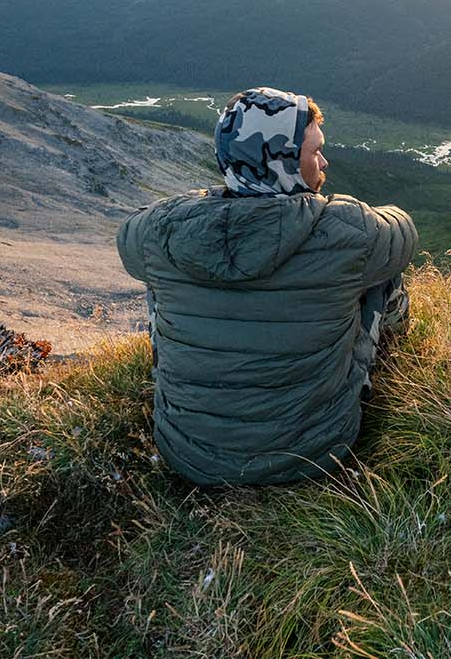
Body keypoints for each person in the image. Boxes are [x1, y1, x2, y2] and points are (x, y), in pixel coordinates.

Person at [115, 87, 417, 485]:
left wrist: (207, 198)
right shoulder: (349, 230)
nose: (323, 162)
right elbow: (404, 231)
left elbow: (128, 237)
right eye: (314, 153)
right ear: (286, 163)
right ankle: (396, 343)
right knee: (381, 274)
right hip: (313, 452)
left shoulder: (162, 230)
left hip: (188, 453)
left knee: (158, 280)